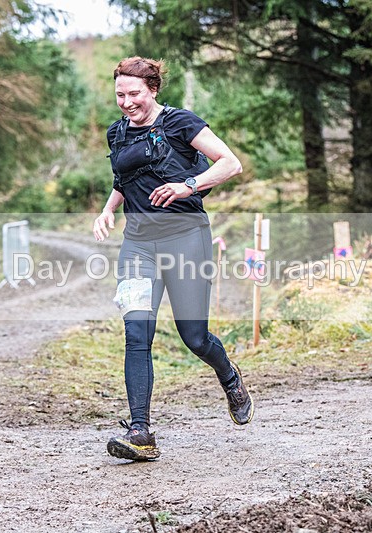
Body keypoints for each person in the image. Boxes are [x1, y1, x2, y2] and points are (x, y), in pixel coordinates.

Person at [93, 57, 254, 462]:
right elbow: (123, 178)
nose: (127, 102)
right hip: (138, 246)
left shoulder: (181, 123)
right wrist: (108, 209)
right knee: (136, 333)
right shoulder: (117, 132)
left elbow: (230, 163)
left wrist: (188, 185)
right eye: (120, 95)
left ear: (152, 89)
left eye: (134, 94)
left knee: (194, 337)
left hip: (186, 239)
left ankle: (229, 376)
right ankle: (140, 432)